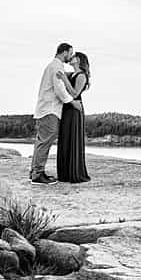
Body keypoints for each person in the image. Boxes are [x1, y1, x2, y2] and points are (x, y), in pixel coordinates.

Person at [30, 42, 75, 184]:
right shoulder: (56, 66)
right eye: (70, 53)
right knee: (45, 141)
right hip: (50, 110)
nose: (71, 56)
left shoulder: (53, 66)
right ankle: (38, 174)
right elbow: (59, 89)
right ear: (64, 52)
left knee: (41, 141)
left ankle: (35, 172)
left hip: (46, 109)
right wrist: (72, 101)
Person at [57, 51, 91, 183]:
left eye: (74, 56)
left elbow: (75, 93)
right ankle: (65, 173)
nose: (71, 58)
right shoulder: (74, 74)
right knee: (66, 138)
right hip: (67, 108)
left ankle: (74, 173)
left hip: (75, 109)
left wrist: (64, 79)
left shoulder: (81, 76)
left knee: (72, 139)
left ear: (79, 60)